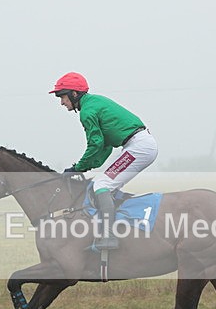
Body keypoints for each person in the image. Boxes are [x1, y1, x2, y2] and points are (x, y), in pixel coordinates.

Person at [49, 72, 158, 250]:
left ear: (74, 94)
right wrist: (84, 167)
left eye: (62, 97)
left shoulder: (87, 111)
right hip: (136, 144)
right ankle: (116, 224)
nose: (61, 102)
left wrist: (77, 168)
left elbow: (95, 144)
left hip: (139, 147)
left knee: (102, 185)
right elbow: (105, 147)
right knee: (103, 182)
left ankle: (110, 237)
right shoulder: (93, 102)